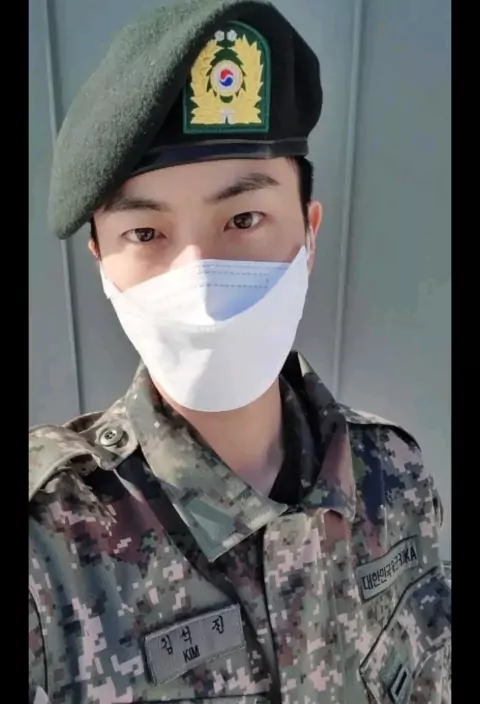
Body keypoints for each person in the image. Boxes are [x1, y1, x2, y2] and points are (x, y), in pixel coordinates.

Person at [29, 0, 451, 702]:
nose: (200, 279)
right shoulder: (51, 549)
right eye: (145, 234)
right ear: (100, 259)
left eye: (244, 217)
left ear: (309, 233)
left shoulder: (392, 476)